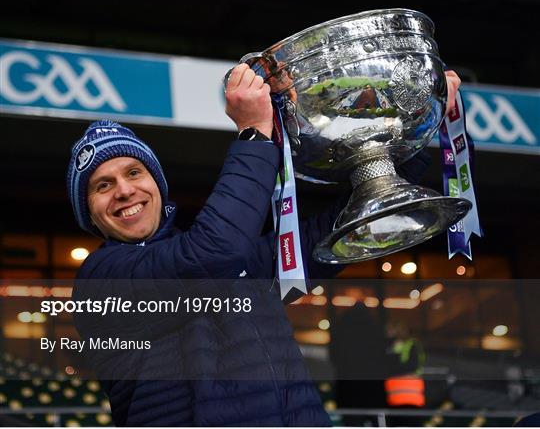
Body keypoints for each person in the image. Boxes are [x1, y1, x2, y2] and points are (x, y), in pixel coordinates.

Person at [68, 64, 461, 426]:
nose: (124, 190)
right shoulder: (103, 279)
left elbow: (329, 236)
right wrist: (255, 135)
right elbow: (211, 253)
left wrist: (414, 134)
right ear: (89, 213)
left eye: (134, 172)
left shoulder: (229, 262)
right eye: (102, 186)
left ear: (156, 184)